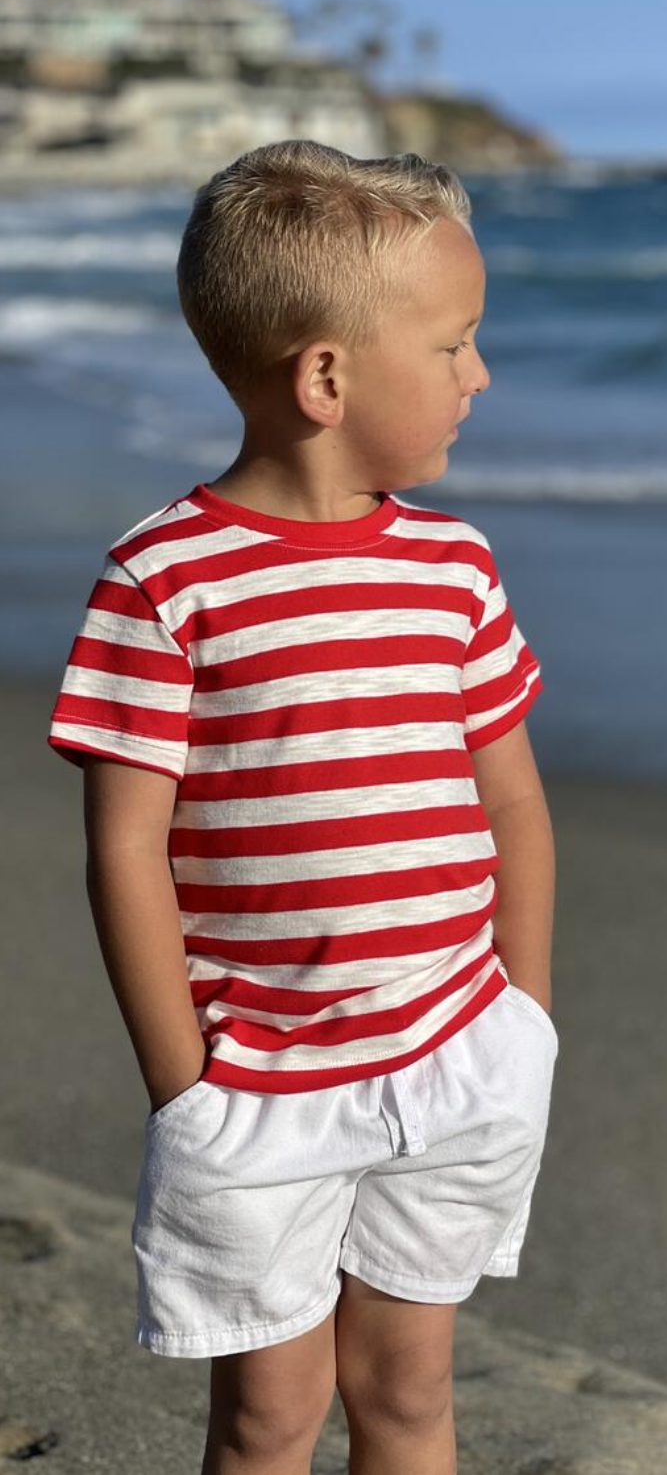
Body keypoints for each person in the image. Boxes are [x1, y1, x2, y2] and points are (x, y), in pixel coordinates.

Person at [46, 139, 558, 1475]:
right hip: (259, 1089)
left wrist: (524, 1018)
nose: (480, 377)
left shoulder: (453, 568)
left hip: (452, 1060)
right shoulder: (166, 581)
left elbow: (511, 799)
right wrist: (186, 1091)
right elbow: (125, 851)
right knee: (269, 1415)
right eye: (453, 347)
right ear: (327, 376)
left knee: (407, 1395)